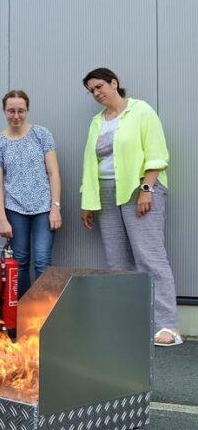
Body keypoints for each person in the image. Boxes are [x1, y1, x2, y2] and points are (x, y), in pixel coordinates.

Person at [80, 68, 182, 347]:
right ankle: (127, 323)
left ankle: (167, 326)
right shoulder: (97, 121)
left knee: (149, 257)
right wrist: (89, 202)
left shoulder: (140, 111)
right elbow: (91, 164)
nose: (97, 93)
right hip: (106, 193)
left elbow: (157, 153)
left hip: (140, 187)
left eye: (100, 86)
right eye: (92, 90)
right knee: (117, 263)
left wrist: (147, 189)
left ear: (114, 83)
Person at [0, 90, 62, 298]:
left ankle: (43, 315)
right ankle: (22, 314)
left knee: (42, 261)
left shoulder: (42, 135)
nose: (16, 116)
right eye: (11, 111)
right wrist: (2, 219)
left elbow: (54, 173)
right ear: (4, 111)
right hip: (14, 209)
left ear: (27, 110)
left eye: (21, 111)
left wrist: (55, 207)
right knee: (19, 262)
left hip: (44, 208)